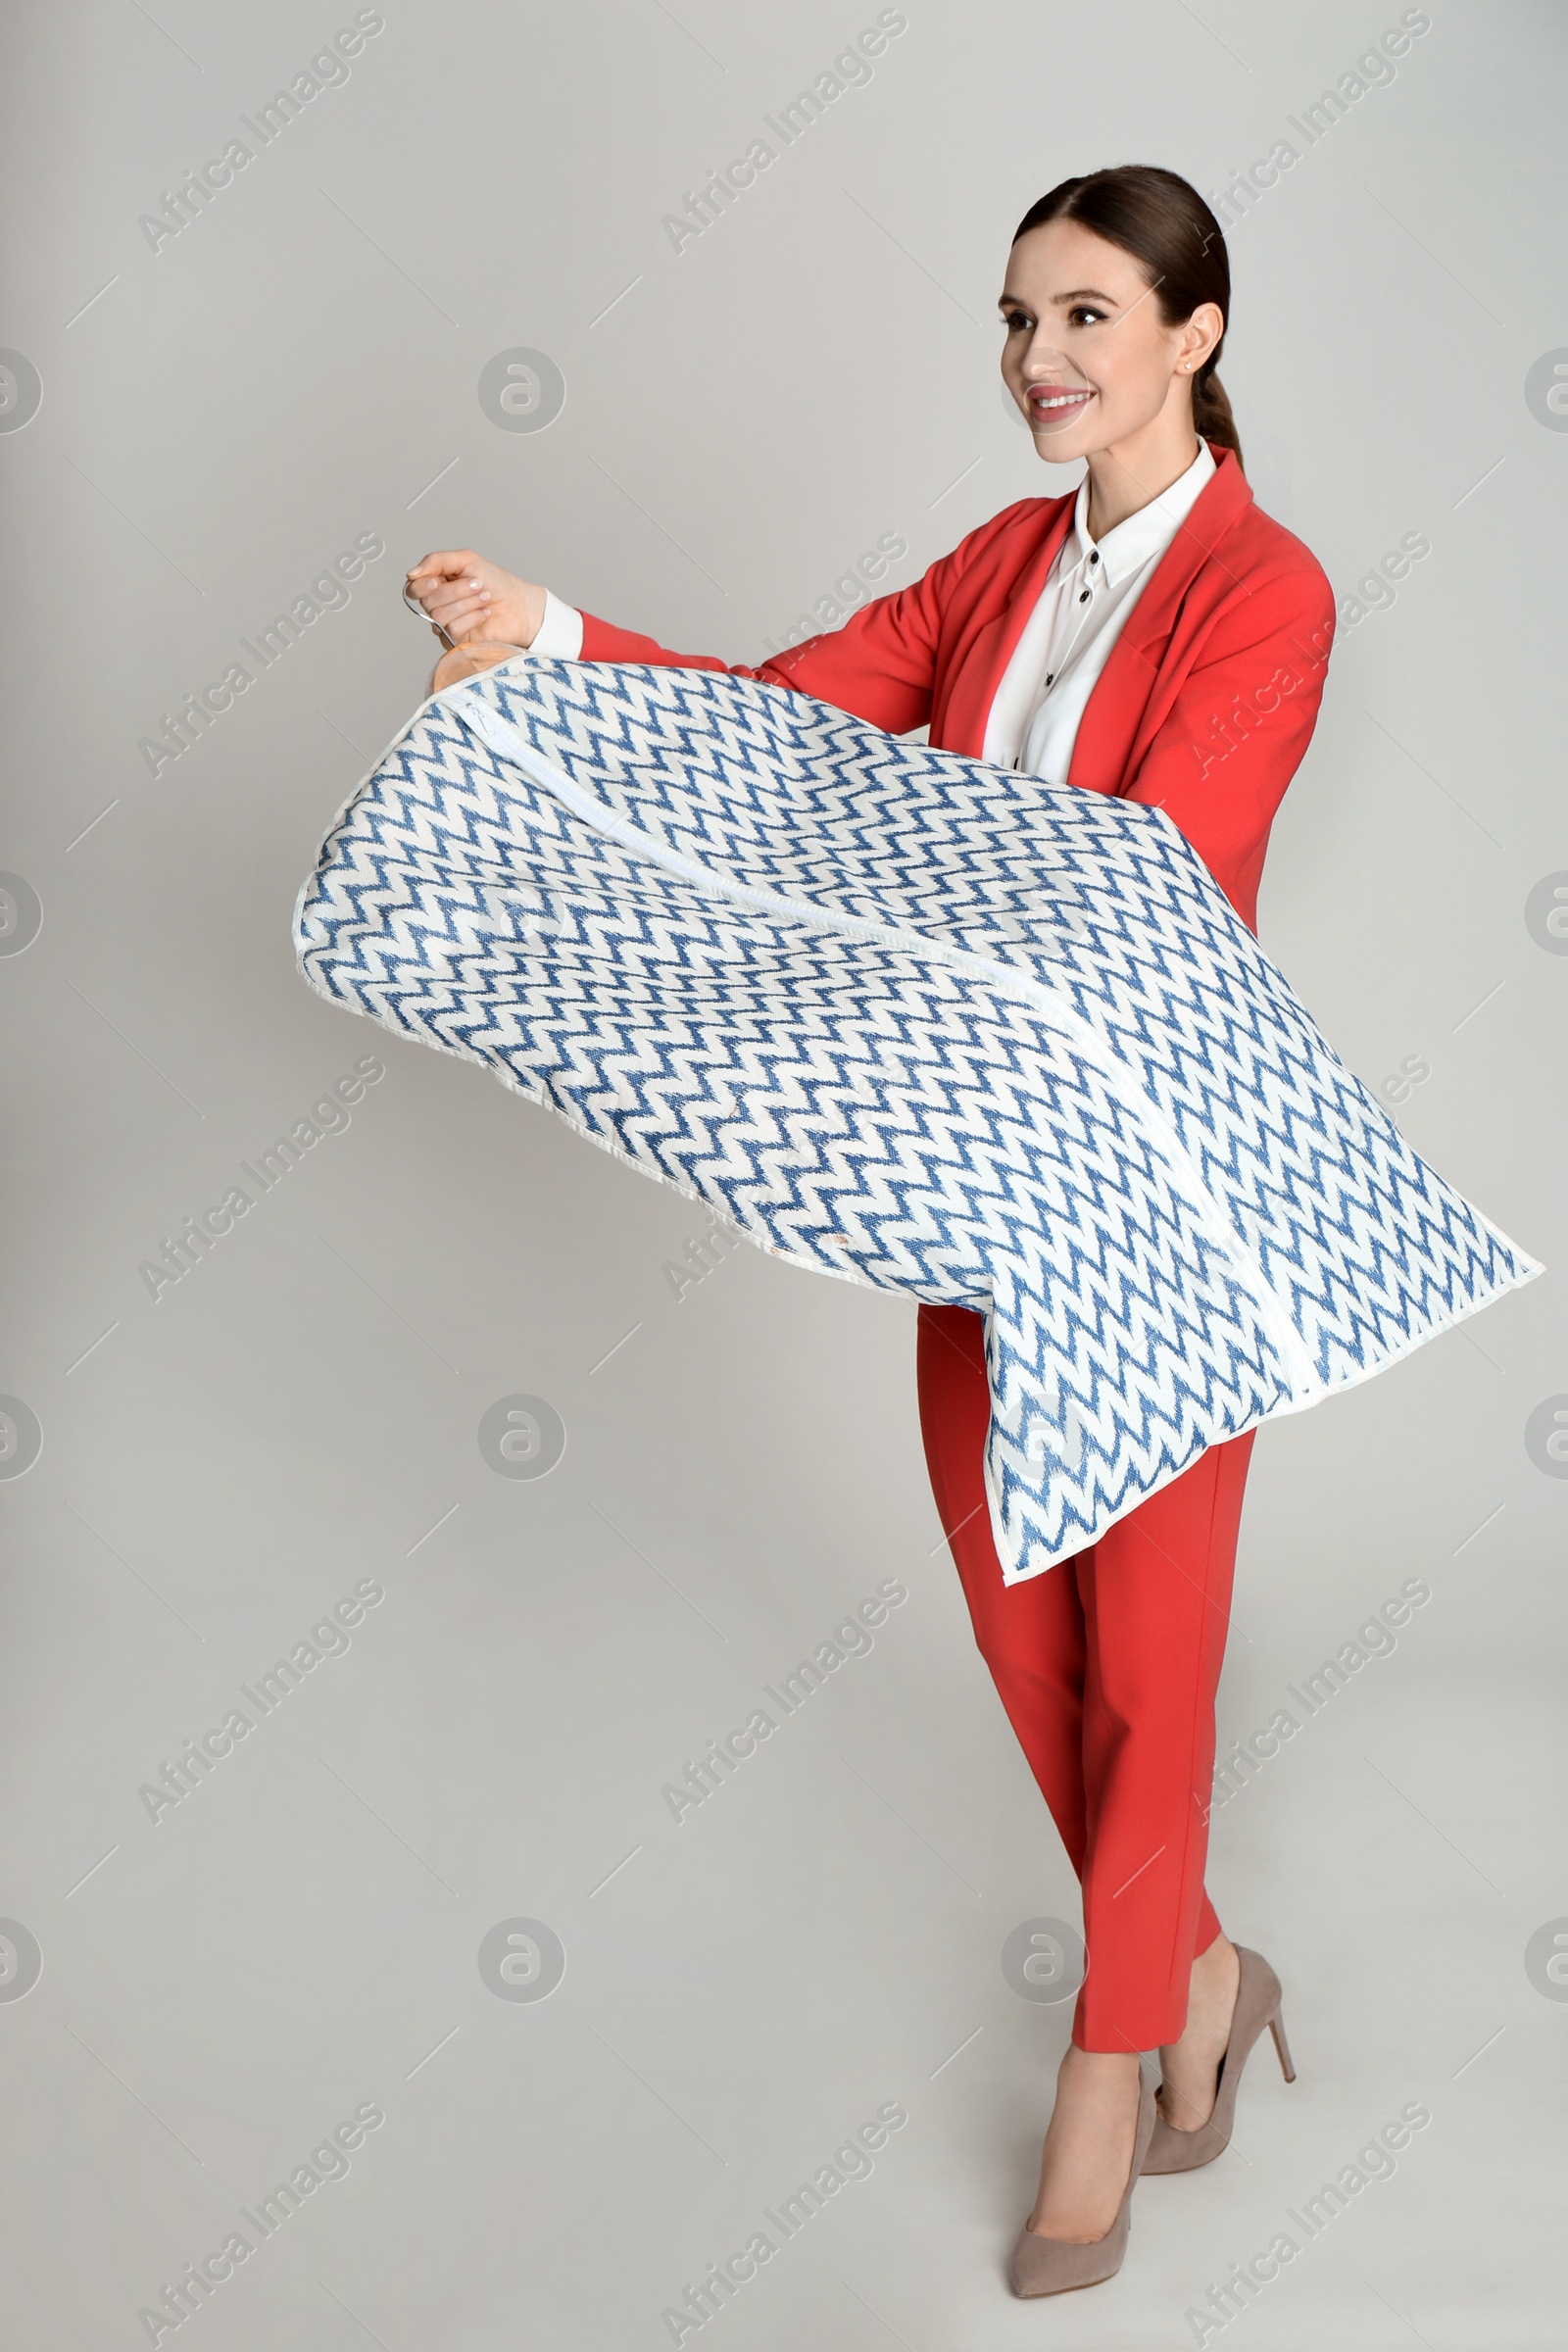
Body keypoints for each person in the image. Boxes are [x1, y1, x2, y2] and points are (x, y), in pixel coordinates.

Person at [406, 164, 1334, 2298]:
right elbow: (774, 722)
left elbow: (1141, 872)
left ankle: (1110, 2065)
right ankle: (1203, 1976)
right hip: (973, 1191)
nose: (1038, 363)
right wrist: (545, 638)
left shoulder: (1259, 593)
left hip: (1160, 1198)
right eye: (1016, 321)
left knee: (1151, 1662)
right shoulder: (998, 564)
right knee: (1029, 1640)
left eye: (1087, 318)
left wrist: (896, 853)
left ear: (1194, 335)